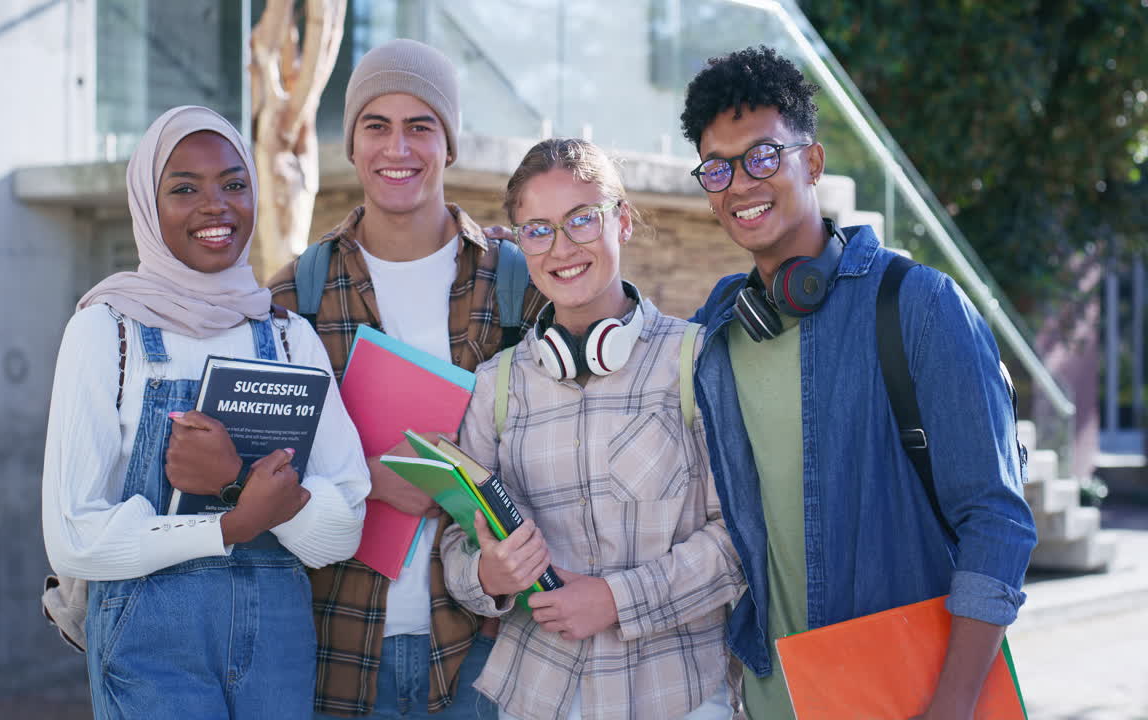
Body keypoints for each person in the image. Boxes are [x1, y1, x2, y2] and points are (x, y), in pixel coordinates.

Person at [679, 46, 1037, 719]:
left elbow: (997, 521)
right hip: (765, 699)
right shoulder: (716, 334)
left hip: (906, 693)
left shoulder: (920, 305)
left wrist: (951, 707)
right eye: (718, 168)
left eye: (763, 156)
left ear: (812, 162)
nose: (741, 184)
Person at [41, 105, 370, 719]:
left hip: (278, 644)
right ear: (147, 203)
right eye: (184, 189)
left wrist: (240, 483)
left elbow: (342, 528)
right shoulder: (107, 332)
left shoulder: (288, 336)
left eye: (234, 184)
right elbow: (74, 539)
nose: (215, 205)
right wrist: (229, 526)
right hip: (150, 644)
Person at [266, 39, 547, 718]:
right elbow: (253, 477)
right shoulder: (295, 296)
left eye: (420, 126)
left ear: (448, 144)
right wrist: (360, 479)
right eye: (376, 126)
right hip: (337, 651)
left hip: (487, 653)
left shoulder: (518, 287)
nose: (399, 148)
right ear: (352, 146)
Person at [439, 138, 747, 720]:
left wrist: (615, 599)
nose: (562, 248)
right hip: (537, 698)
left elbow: (740, 540)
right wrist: (488, 573)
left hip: (679, 698)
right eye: (538, 229)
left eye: (582, 220)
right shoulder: (495, 385)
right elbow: (457, 547)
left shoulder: (697, 360)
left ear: (622, 221)